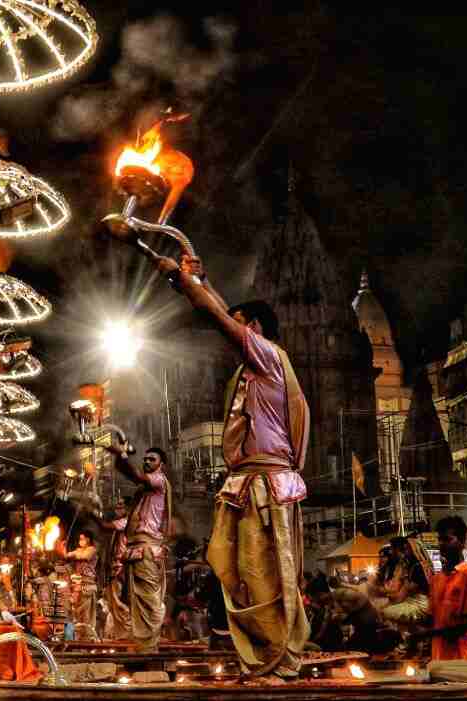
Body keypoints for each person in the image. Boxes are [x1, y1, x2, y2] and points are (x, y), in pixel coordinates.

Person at [153, 253, 310, 679]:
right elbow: (221, 313)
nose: (232, 330)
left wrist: (183, 282)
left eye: (240, 324)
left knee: (264, 578)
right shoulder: (252, 367)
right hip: (246, 484)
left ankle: (277, 661)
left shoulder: (268, 358)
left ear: (254, 329)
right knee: (240, 574)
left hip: (265, 488)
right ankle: (263, 659)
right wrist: (200, 279)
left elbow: (218, 317)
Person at [105, 444, 172, 652]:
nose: (147, 461)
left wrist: (122, 454)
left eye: (152, 459)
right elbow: (130, 473)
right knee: (138, 601)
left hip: (147, 549)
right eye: (145, 459)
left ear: (162, 465)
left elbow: (134, 476)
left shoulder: (159, 481)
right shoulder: (144, 489)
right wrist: (119, 458)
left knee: (148, 601)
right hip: (137, 551)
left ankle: (149, 648)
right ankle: (143, 646)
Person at [420, 515, 467, 661]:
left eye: (447, 539)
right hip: (439, 655)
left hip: (464, 657)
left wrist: (428, 634)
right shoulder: (437, 578)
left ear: (462, 542)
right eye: (440, 539)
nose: (442, 544)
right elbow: (432, 617)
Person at [96, 497, 131, 640]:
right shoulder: (119, 526)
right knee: (114, 607)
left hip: (121, 569)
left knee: (121, 607)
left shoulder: (127, 521)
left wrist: (93, 514)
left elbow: (105, 526)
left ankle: (126, 638)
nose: (118, 508)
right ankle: (120, 638)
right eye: (117, 506)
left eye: (121, 505)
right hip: (114, 570)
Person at [379, 537, 430, 628]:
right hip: (409, 601)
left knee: (385, 612)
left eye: (406, 549)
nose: (404, 553)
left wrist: (388, 601)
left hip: (419, 604)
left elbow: (403, 593)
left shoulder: (418, 568)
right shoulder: (409, 566)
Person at [61, 530, 99, 640]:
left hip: (87, 584)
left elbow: (85, 557)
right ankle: (76, 638)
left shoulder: (92, 550)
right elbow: (66, 556)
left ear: (88, 539)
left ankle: (87, 638)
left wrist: (72, 555)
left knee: (86, 615)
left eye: (82, 538)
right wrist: (62, 547)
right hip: (77, 585)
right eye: (79, 539)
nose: (80, 541)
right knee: (76, 613)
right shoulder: (78, 551)